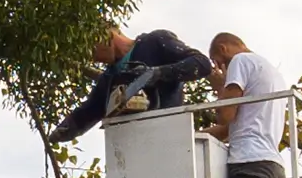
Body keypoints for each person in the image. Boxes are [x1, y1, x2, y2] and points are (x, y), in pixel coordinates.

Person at [209, 32, 295, 178]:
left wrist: (221, 88)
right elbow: (231, 127)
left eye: (217, 62)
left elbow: (225, 114)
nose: (220, 68)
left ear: (223, 50)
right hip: (273, 165)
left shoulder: (240, 62)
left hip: (250, 162)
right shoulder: (270, 71)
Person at [50, 26, 214, 141]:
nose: (93, 58)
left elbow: (201, 63)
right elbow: (89, 111)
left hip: (167, 131)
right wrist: (65, 129)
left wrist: (158, 73)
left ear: (106, 36)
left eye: (91, 49)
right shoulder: (108, 79)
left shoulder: (154, 42)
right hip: (132, 145)